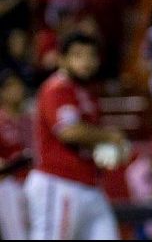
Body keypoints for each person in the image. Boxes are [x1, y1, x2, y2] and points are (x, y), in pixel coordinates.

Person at [24, 33, 128, 240]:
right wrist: (109, 137)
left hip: (89, 184)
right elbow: (68, 131)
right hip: (58, 181)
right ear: (62, 59)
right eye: (78, 55)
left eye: (91, 55)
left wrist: (108, 149)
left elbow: (89, 138)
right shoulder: (57, 88)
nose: (86, 62)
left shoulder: (86, 91)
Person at [0, 69, 31, 240]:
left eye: (19, 86)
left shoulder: (30, 120)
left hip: (32, 181)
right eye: (11, 87)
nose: (17, 90)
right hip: (8, 183)